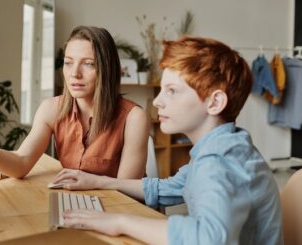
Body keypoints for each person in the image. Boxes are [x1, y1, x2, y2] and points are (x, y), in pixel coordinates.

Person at [53, 37, 283, 245]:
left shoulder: (219, 161)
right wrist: (98, 181)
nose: (157, 102)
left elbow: (208, 238)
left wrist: (120, 222)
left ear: (214, 103)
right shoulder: (225, 146)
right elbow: (167, 188)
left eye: (172, 91)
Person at [0, 26, 149, 179]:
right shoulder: (51, 109)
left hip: (120, 214)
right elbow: (21, 163)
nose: (74, 73)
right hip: (78, 206)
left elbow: (127, 193)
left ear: (107, 69)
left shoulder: (134, 118)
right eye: (69, 63)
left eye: (88, 64)